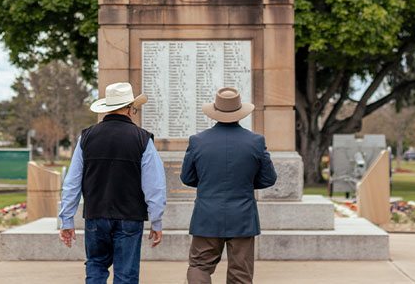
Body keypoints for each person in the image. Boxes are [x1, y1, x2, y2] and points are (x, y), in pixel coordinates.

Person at [58, 82, 166, 284]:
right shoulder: (143, 139)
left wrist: (67, 220)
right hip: (130, 216)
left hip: (95, 215)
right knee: (126, 275)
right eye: (133, 108)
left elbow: (71, 183)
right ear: (128, 109)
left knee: (95, 268)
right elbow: (155, 186)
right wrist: (157, 220)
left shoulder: (86, 138)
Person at [180, 87, 278, 284]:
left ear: (215, 111)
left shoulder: (197, 141)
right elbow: (269, 179)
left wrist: (208, 183)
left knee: (199, 266)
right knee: (240, 274)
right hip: (242, 215)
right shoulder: (256, 141)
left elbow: (187, 177)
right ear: (240, 112)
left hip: (207, 214)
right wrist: (246, 183)